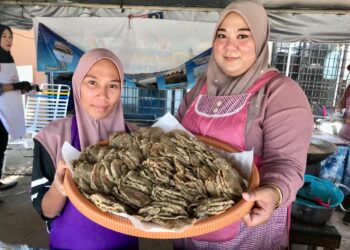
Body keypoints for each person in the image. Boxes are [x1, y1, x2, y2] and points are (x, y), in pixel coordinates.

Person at [174, 1, 313, 249]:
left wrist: (273, 192)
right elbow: (174, 139)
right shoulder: (199, 88)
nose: (230, 46)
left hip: (247, 226)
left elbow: (287, 163)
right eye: (222, 35)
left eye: (242, 35)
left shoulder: (280, 93)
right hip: (191, 216)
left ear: (260, 40)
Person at [31, 48, 139, 249]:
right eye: (92, 82)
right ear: (78, 82)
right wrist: (59, 188)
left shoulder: (136, 139)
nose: (103, 95)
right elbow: (46, 211)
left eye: (113, 85)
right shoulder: (51, 138)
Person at [0, 24, 32, 190]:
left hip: (7, 110)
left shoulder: (8, 58)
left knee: (1, 145)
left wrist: (23, 87)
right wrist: (15, 86)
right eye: (4, 36)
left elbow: (9, 87)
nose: (8, 40)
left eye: (10, 36)